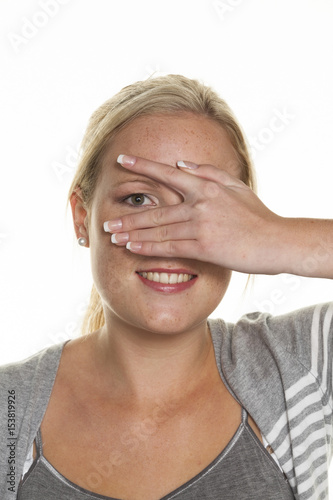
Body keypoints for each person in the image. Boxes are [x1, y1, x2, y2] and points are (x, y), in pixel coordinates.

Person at [0, 74, 332, 500]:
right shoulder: (10, 409)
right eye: (139, 200)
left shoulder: (299, 366)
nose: (173, 238)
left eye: (203, 209)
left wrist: (276, 236)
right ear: (83, 217)